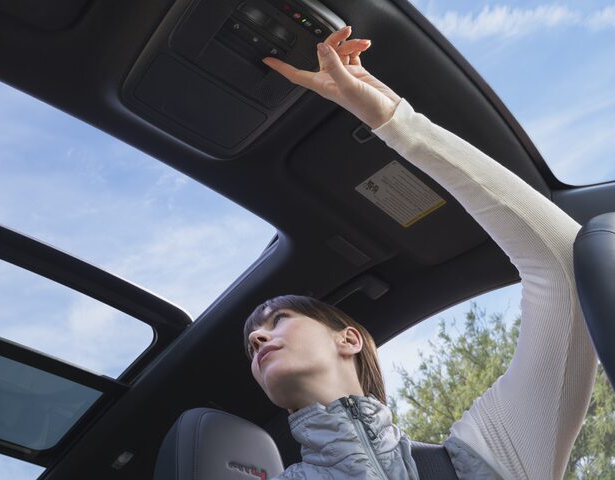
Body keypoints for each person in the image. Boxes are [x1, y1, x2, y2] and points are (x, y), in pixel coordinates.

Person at [244, 26, 597, 479]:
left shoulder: (484, 458)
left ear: (348, 338)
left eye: (279, 319)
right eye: (252, 339)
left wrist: (394, 121)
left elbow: (562, 261)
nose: (256, 338)